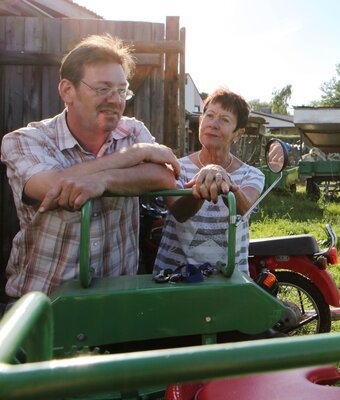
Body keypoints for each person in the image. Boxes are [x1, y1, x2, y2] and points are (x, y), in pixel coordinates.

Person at [0, 34, 180, 303]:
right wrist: (134, 155)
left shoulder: (132, 131)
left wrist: (103, 181)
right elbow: (54, 186)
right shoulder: (25, 140)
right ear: (67, 91)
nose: (115, 100)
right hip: (43, 303)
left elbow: (163, 176)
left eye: (121, 90)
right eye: (102, 89)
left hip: (115, 301)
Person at [153, 88, 264, 274]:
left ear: (238, 134)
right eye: (209, 115)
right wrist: (204, 181)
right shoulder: (176, 168)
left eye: (224, 119)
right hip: (174, 278)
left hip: (229, 279)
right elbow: (179, 212)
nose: (213, 124)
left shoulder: (251, 174)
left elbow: (244, 209)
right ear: (200, 122)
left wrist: (222, 177)